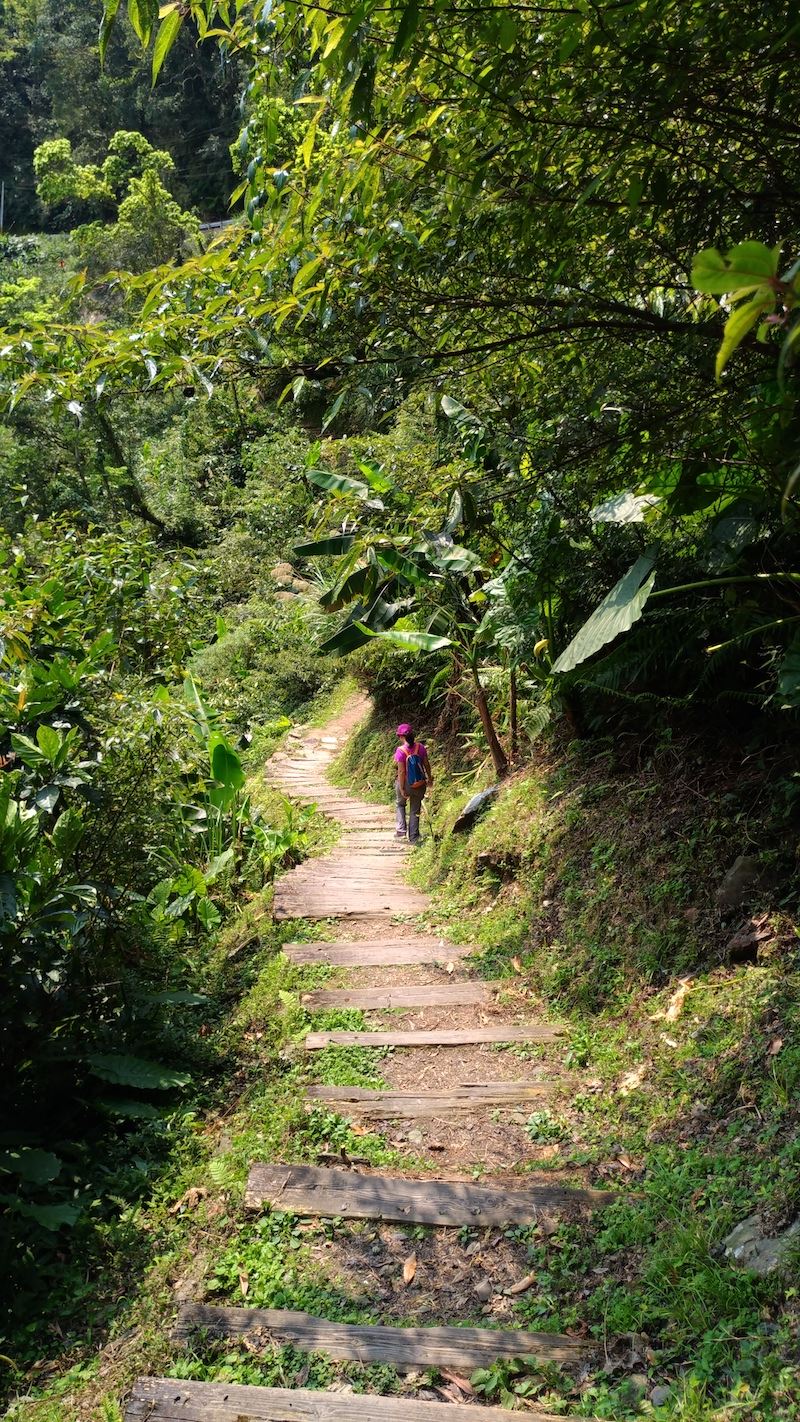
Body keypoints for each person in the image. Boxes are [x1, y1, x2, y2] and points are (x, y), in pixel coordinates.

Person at [394, 723, 433, 844]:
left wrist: (401, 788)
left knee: (400, 804)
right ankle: (414, 837)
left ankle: (401, 829)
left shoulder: (400, 751)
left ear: (401, 737)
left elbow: (401, 771)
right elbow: (426, 764)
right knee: (415, 810)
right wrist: (429, 778)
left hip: (406, 783)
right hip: (419, 784)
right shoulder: (420, 748)